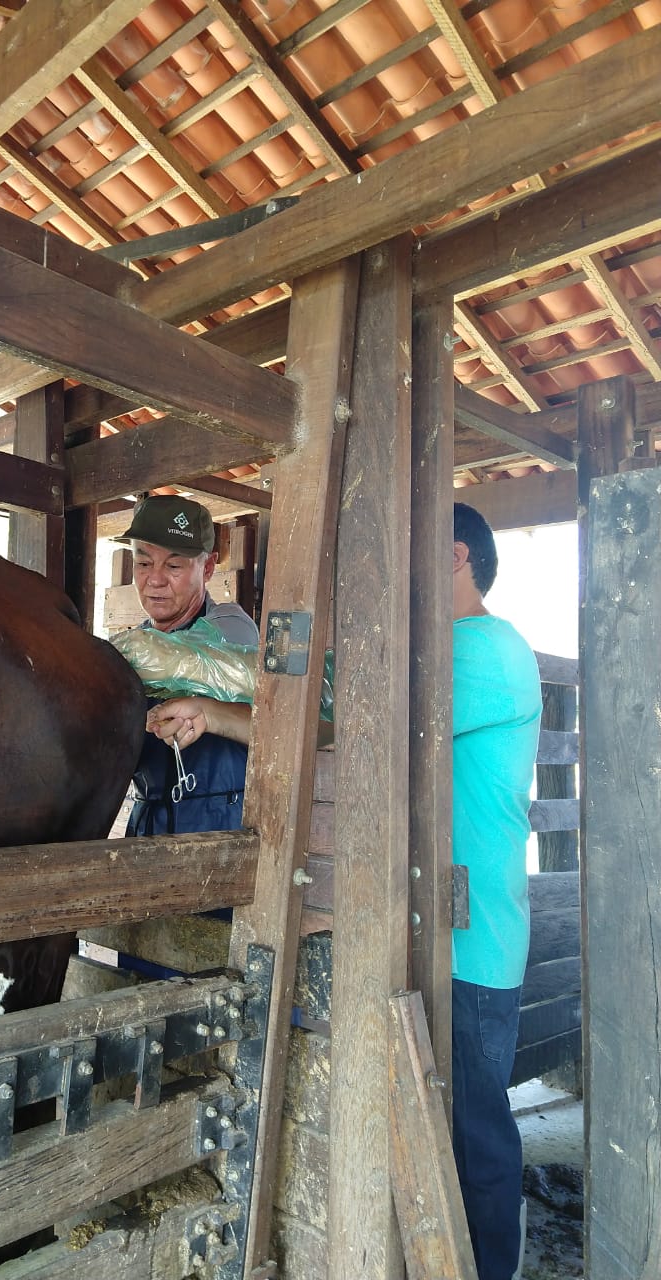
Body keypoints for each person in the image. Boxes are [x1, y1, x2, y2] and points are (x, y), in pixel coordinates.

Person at [451, 502, 542, 1280]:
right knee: (453, 1116)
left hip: (473, 935)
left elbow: (362, 714)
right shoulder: (460, 647)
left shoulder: (484, 650)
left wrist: (223, 710)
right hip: (451, 924)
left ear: (453, 557)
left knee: (478, 1128)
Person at [115, 495, 258, 836]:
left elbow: (178, 662)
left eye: (174, 566)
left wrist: (106, 661)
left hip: (222, 822)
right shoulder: (137, 642)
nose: (155, 580)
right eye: (143, 563)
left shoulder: (229, 627)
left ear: (207, 567)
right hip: (149, 823)